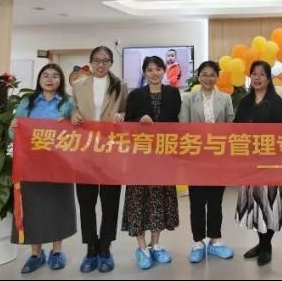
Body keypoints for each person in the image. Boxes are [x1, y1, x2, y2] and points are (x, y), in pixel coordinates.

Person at [10, 64, 76, 274]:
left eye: (55, 76)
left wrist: (70, 123)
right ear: (39, 79)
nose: (50, 79)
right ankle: (36, 254)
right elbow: (14, 134)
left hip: (60, 164)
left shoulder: (68, 103)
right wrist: (13, 128)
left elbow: (77, 131)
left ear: (60, 81)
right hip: (31, 164)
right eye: (45, 75)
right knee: (33, 207)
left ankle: (57, 252)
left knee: (58, 206)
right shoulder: (27, 102)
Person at [71, 46, 128, 273]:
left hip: (111, 151)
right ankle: (91, 248)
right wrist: (72, 114)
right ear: (91, 62)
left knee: (110, 202)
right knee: (86, 203)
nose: (100, 65)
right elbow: (73, 108)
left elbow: (126, 112)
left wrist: (123, 116)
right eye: (96, 60)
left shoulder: (120, 85)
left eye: (105, 61)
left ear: (111, 63)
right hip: (84, 151)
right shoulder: (78, 85)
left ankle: (105, 247)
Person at [121, 56, 181, 270]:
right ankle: (142, 247)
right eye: (150, 69)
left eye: (158, 69)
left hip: (164, 157)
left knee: (159, 200)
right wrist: (139, 122)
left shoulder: (173, 93)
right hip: (140, 158)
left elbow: (176, 123)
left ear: (164, 71)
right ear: (144, 72)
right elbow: (127, 124)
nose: (154, 73)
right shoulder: (135, 95)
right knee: (138, 200)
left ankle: (155, 245)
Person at [234, 60, 282, 267]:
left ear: (268, 79)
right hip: (250, 162)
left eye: (262, 74)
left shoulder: (276, 102)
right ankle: (261, 243)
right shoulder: (245, 101)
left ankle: (267, 246)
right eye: (254, 74)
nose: (257, 78)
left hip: (272, 162)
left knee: (270, 204)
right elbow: (236, 128)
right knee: (255, 204)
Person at [179, 61, 235, 263]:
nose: (208, 78)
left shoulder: (225, 98)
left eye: (212, 75)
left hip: (218, 158)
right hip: (196, 157)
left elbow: (230, 126)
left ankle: (215, 240)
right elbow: (183, 126)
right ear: (198, 77)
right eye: (204, 74)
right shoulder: (188, 98)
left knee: (215, 201)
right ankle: (198, 242)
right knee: (196, 201)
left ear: (217, 77)